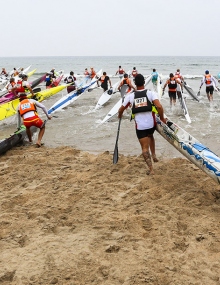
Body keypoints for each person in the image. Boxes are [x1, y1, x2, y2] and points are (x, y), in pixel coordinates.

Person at [118, 73, 166, 175]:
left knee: (144, 148)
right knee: (150, 136)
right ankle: (154, 155)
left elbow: (121, 109)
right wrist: (162, 118)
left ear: (134, 83)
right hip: (151, 125)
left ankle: (151, 169)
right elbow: (159, 107)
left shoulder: (130, 96)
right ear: (144, 82)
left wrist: (120, 116)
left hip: (140, 127)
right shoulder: (151, 93)